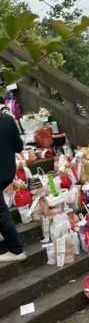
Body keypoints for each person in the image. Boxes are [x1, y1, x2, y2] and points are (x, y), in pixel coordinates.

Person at [0, 111, 27, 262]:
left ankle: (16, 250)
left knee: (2, 213)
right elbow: (18, 147)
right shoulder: (7, 119)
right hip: (8, 171)